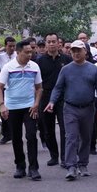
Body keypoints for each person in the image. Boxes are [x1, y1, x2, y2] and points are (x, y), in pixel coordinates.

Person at [45, 40, 97, 181]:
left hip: (88, 109)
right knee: (71, 137)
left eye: (79, 50)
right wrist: (52, 101)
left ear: (85, 51)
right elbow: (58, 87)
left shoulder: (93, 69)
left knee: (86, 138)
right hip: (70, 108)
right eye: (73, 51)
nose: (76, 53)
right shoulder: (66, 69)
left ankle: (83, 164)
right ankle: (71, 166)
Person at [0, 40, 43, 180]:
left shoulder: (34, 67)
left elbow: (39, 88)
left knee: (31, 136)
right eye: (26, 52)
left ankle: (34, 168)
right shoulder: (8, 67)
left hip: (29, 107)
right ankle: (20, 166)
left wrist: (36, 103)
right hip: (13, 108)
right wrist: (2, 105)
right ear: (18, 52)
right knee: (16, 138)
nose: (30, 54)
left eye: (31, 52)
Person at [36, 33, 72, 168]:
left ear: (59, 43)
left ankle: (64, 157)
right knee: (47, 129)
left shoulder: (67, 60)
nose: (51, 44)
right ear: (45, 44)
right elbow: (36, 83)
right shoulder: (39, 61)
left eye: (54, 41)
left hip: (63, 98)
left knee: (65, 129)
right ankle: (54, 156)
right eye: (49, 42)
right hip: (45, 98)